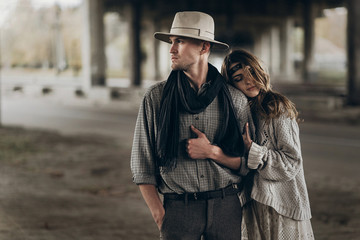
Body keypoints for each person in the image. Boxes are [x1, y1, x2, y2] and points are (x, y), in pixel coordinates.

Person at [130, 12, 255, 240]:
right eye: (172, 42)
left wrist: (213, 152)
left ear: (203, 47)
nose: (172, 49)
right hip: (179, 210)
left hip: (226, 207)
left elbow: (249, 164)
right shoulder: (155, 98)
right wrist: (160, 215)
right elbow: (142, 164)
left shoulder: (234, 99)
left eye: (180, 41)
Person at [187, 49, 314, 239]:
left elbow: (291, 162)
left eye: (252, 73)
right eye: (239, 78)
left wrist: (256, 151)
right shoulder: (238, 112)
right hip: (252, 205)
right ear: (231, 84)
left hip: (282, 207)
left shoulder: (277, 108)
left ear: (260, 71)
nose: (249, 81)